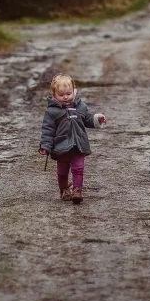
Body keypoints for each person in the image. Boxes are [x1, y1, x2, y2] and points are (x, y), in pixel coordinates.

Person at [38, 74, 107, 204]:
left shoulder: (80, 106)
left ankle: (77, 191)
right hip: (61, 147)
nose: (65, 97)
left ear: (74, 91)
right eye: (61, 94)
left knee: (78, 168)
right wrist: (45, 146)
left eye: (68, 93)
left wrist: (97, 119)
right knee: (62, 171)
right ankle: (64, 190)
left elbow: (87, 119)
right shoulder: (52, 112)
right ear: (54, 95)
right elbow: (47, 130)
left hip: (78, 145)